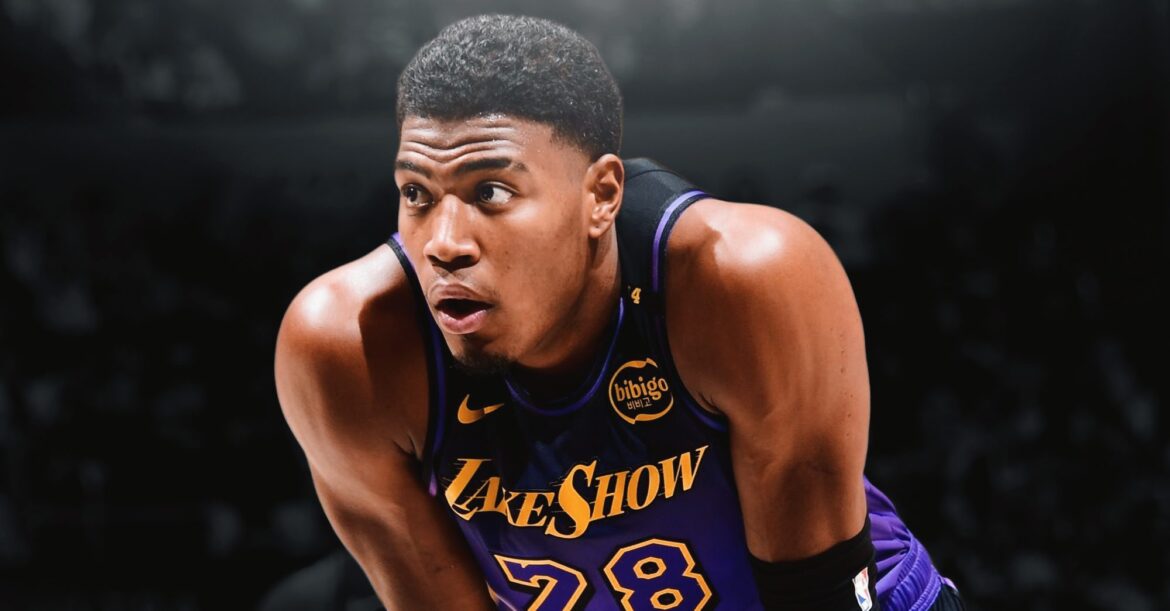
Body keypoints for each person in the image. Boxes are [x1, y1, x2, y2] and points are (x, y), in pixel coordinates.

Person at [275, 14, 964, 611]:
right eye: (417, 194)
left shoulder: (743, 278)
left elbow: (818, 595)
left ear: (601, 196)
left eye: (490, 191)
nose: (445, 244)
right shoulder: (345, 348)